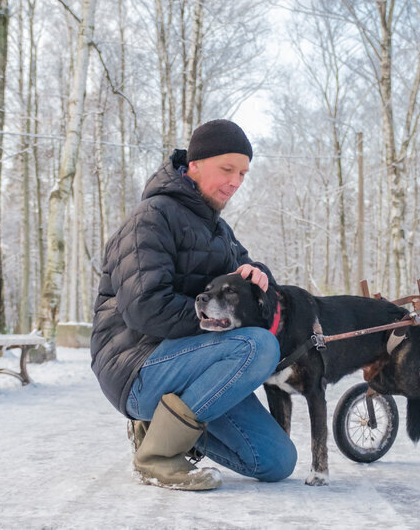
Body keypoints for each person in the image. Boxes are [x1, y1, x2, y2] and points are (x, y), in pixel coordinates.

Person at [91, 119, 297, 491]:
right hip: (137, 367)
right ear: (195, 164)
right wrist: (219, 321)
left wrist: (259, 273)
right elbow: (144, 307)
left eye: (243, 173)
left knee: (277, 462)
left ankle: (160, 426)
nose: (236, 181)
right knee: (258, 345)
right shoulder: (151, 218)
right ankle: (156, 457)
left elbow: (248, 282)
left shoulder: (219, 231)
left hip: (193, 370)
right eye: (227, 169)